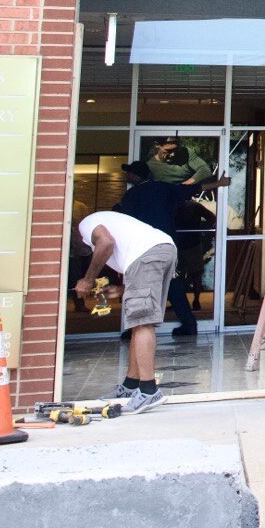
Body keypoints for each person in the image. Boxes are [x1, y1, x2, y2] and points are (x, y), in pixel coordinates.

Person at [74, 208, 178, 413]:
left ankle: (148, 391)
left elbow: (106, 243)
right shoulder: (108, 224)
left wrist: (88, 279)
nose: (78, 252)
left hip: (147, 254)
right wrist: (122, 289)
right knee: (137, 323)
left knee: (142, 322)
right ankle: (131, 385)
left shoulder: (85, 225)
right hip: (164, 249)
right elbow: (140, 274)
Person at [115, 158, 226, 337]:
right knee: (172, 285)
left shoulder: (131, 196)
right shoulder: (163, 188)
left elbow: (126, 223)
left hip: (142, 247)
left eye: (129, 172)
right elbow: (193, 189)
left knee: (141, 287)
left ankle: (136, 329)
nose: (127, 175)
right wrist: (219, 183)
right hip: (166, 245)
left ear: (135, 175)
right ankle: (189, 324)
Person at [145, 134, 216, 186]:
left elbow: (205, 170)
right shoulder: (149, 166)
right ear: (157, 145)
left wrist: (183, 186)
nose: (173, 154)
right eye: (168, 150)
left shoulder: (186, 153)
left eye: (175, 150)